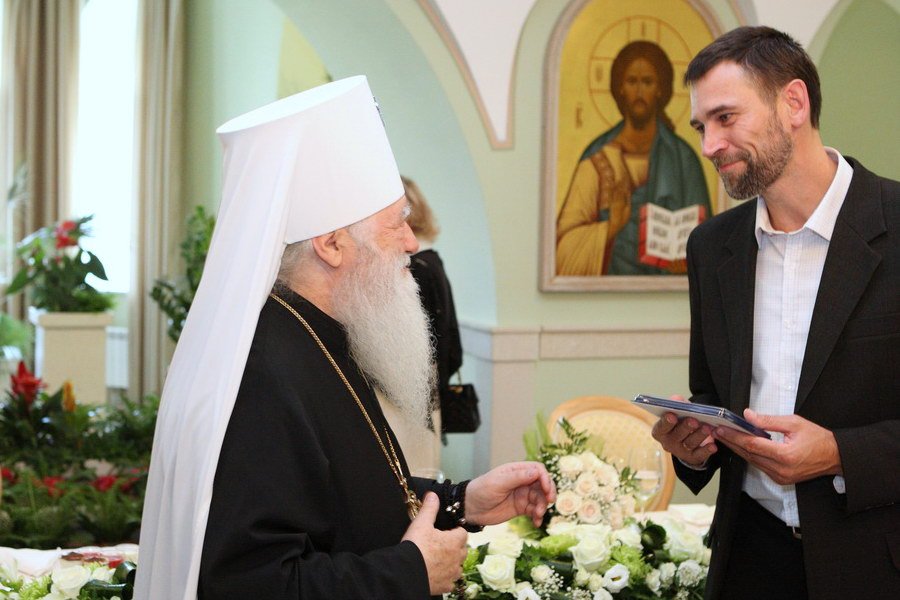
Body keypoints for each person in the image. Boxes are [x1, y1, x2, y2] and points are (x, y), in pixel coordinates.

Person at [134, 77, 556, 600]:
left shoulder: (321, 332)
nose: (412, 243)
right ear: (331, 244)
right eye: (396, 225)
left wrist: (461, 501)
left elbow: (351, 496)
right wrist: (409, 572)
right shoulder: (261, 375)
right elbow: (249, 583)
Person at [651, 26, 900, 600]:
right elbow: (713, 393)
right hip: (748, 562)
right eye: (701, 127)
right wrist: (694, 446)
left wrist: (837, 455)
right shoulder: (712, 245)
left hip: (876, 562)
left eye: (725, 118)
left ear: (793, 103)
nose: (709, 146)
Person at [556, 40, 712, 276]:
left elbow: (708, 237)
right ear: (620, 88)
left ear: (660, 89)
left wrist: (689, 260)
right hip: (608, 290)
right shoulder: (597, 158)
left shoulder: (683, 159)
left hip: (668, 290)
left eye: (647, 82)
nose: (639, 92)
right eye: (631, 81)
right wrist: (611, 227)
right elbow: (563, 246)